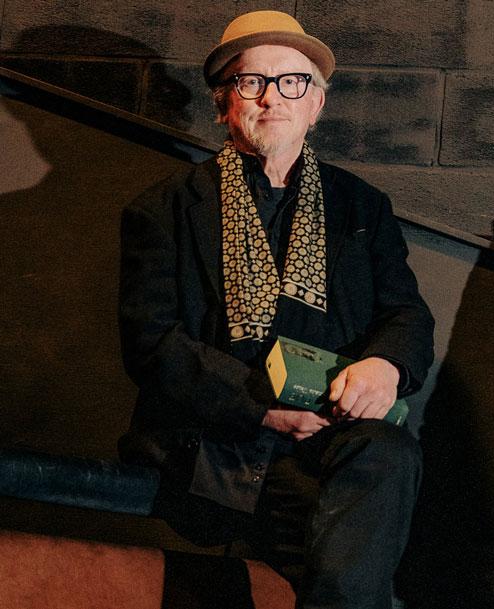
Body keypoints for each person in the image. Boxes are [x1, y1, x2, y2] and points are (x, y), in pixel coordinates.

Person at [117, 10, 434, 609]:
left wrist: (385, 367)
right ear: (224, 102)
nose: (272, 97)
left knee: (390, 453)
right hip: (221, 444)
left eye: (293, 81)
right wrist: (263, 410)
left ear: (317, 103)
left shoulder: (363, 207)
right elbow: (151, 344)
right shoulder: (164, 209)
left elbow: (407, 317)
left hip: (329, 440)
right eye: (251, 81)